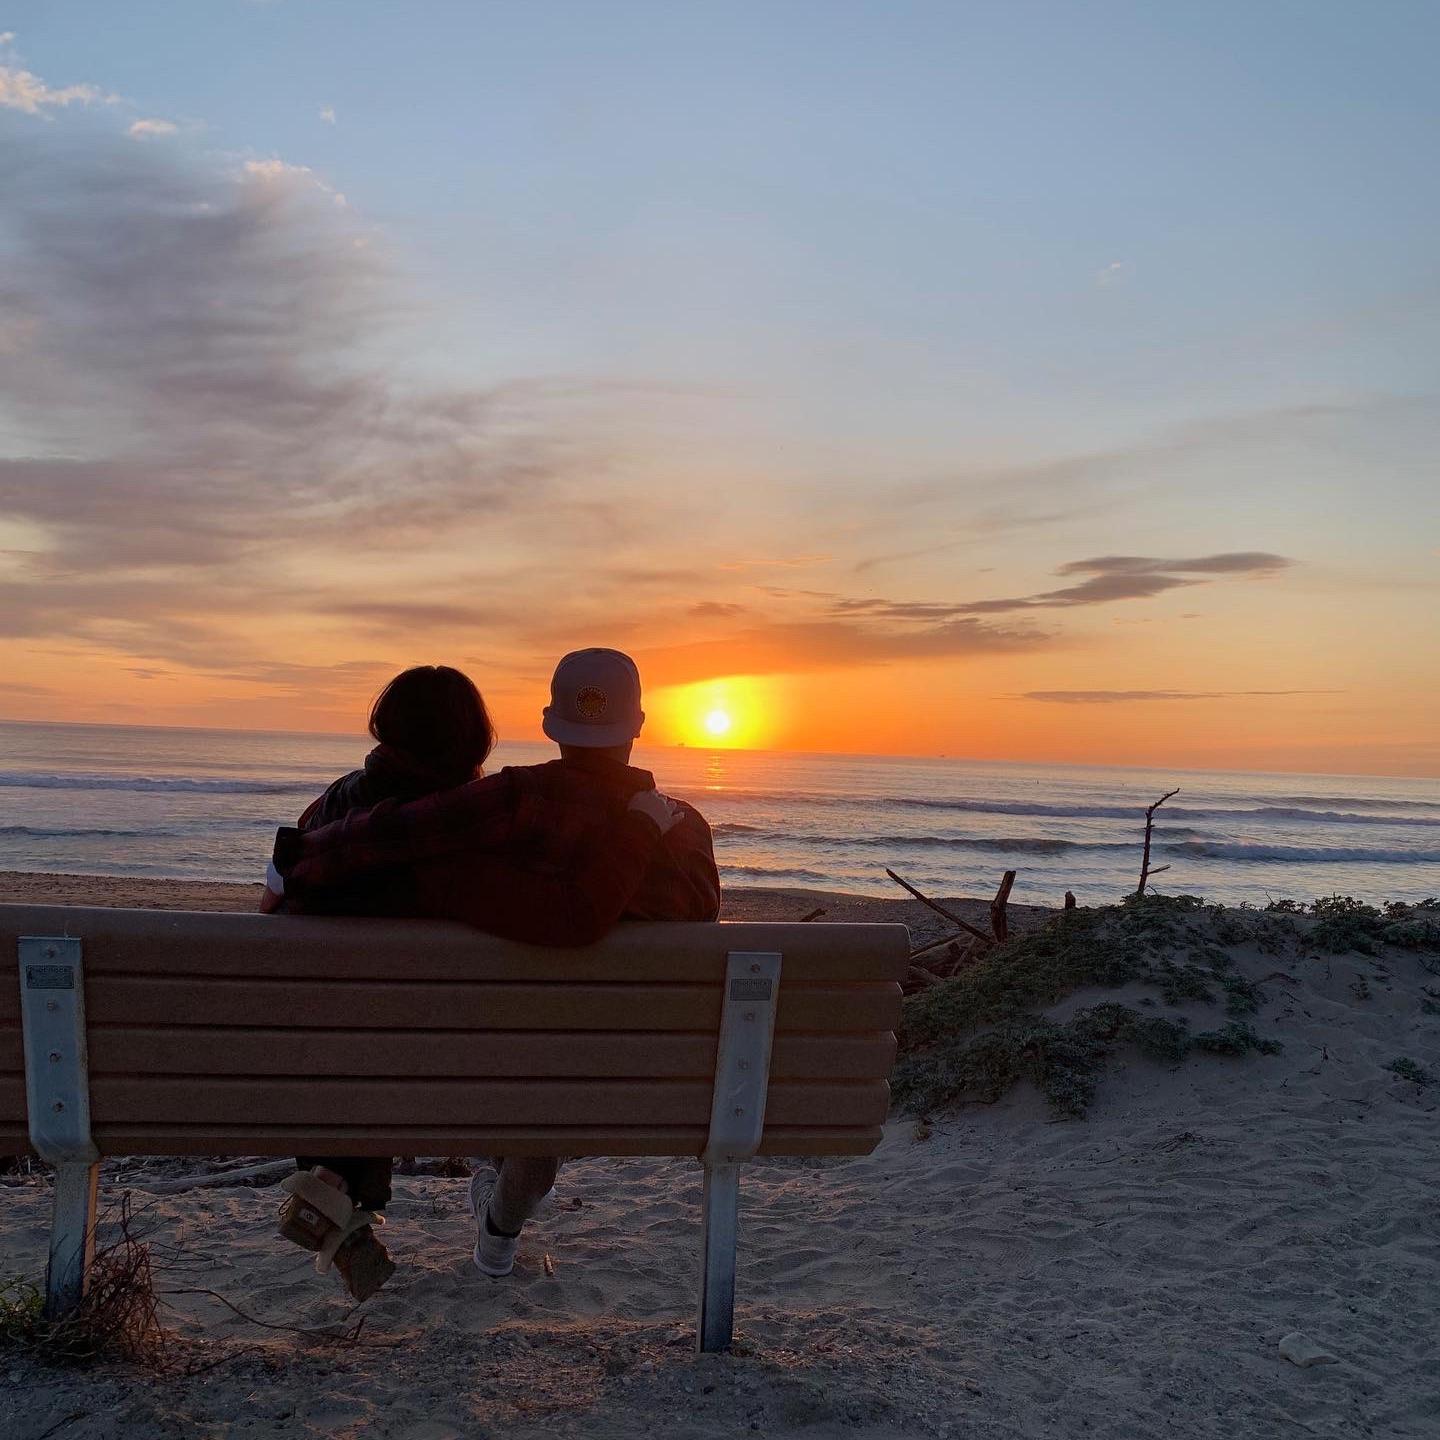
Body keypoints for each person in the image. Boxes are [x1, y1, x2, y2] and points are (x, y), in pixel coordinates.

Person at [267, 649, 719, 1292]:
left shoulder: (506, 809)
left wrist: (296, 859)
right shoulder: (687, 835)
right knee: (550, 1062)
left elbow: (393, 846)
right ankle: (499, 1227)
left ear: (548, 723)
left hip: (465, 1066)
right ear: (639, 724)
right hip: (616, 1077)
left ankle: (353, 1184)